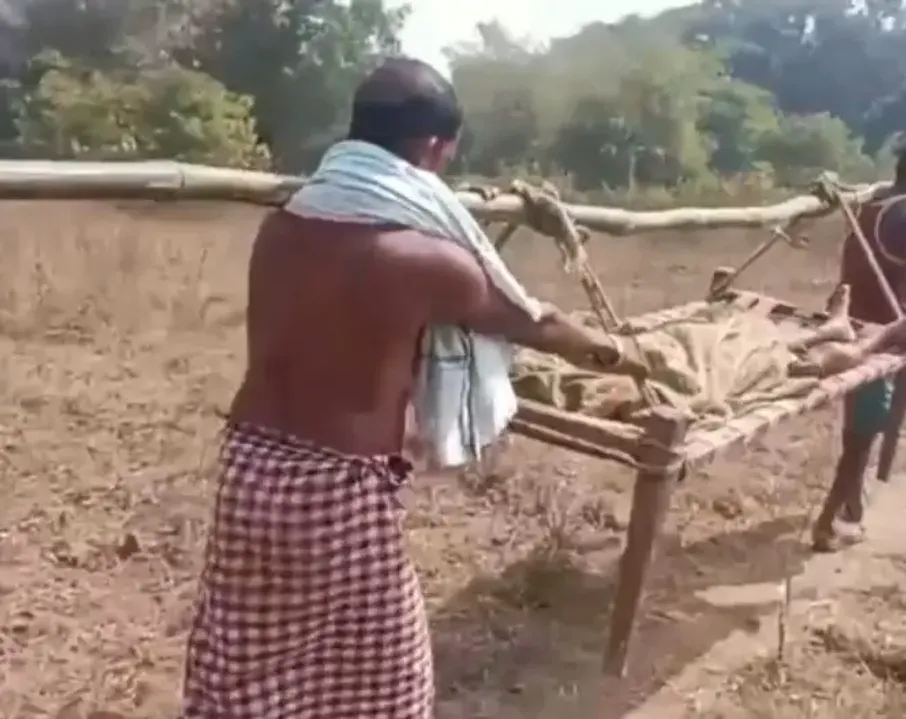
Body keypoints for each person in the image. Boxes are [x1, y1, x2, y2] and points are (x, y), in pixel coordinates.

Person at [180, 57, 646, 719]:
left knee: (251, 670)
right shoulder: (423, 260)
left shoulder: (280, 227)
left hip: (249, 471)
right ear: (435, 147)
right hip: (336, 494)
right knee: (387, 686)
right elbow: (533, 322)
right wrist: (617, 352)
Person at [811, 136, 906, 552]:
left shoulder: (867, 208)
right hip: (880, 339)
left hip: (848, 326)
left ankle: (851, 500)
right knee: (863, 434)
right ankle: (827, 525)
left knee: (859, 426)